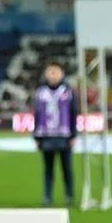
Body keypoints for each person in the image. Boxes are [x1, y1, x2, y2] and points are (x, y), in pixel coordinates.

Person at [33, 61, 78, 206]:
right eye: (50, 71)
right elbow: (37, 114)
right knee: (48, 170)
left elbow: (73, 113)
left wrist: (74, 134)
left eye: (55, 71)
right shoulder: (41, 92)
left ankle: (69, 197)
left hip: (64, 136)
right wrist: (36, 136)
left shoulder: (67, 91)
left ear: (61, 73)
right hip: (46, 136)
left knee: (67, 169)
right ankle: (47, 197)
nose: (52, 75)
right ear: (46, 74)